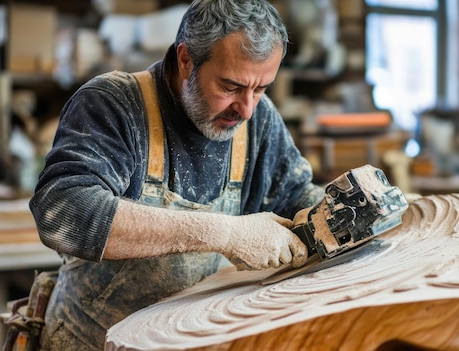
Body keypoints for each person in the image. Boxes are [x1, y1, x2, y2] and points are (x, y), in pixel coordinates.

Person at [29, 0, 324, 350]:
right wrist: (226, 233)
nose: (246, 108)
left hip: (193, 341)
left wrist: (342, 208)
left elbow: (294, 198)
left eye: (261, 89)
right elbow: (62, 212)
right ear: (186, 60)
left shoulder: (258, 121)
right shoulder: (114, 103)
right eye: (230, 87)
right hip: (93, 341)